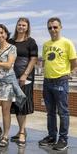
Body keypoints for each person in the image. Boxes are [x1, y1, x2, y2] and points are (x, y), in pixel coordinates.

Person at [39, 17, 77, 151]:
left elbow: (73, 61)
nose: (52, 30)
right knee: (50, 112)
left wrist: (68, 73)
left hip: (61, 80)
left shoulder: (67, 43)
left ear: (60, 27)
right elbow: (44, 62)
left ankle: (63, 139)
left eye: (55, 27)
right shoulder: (46, 45)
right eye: (50, 27)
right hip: (47, 81)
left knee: (63, 112)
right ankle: (51, 136)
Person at [9, 18, 38, 147]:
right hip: (11, 77)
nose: (21, 27)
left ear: (27, 27)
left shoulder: (31, 42)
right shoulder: (11, 41)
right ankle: (22, 130)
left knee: (22, 105)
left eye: (24, 25)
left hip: (24, 78)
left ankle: (21, 132)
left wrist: (24, 74)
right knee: (15, 105)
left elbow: (33, 60)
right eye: (19, 25)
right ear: (16, 26)